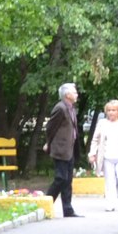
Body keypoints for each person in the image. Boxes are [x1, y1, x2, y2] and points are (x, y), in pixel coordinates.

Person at [44, 82, 81, 217]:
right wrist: (48, 143)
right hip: (60, 149)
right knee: (61, 178)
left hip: (69, 148)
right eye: (74, 92)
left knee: (67, 180)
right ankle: (45, 204)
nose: (77, 94)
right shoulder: (60, 108)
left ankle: (68, 209)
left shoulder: (71, 108)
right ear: (67, 95)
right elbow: (50, 127)